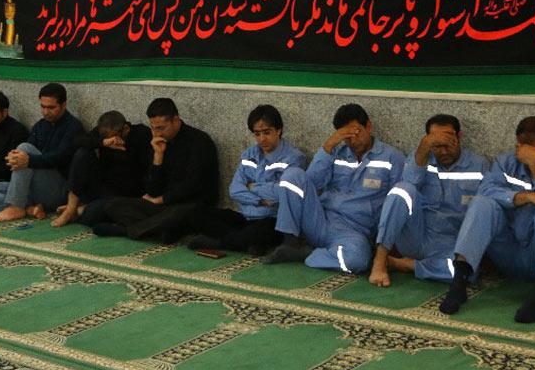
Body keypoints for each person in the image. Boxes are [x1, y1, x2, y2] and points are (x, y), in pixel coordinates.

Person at [438, 116, 535, 323]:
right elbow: (487, 189)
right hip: (509, 249)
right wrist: (526, 197)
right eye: (522, 150)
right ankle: (459, 281)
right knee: (482, 203)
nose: (526, 157)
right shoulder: (506, 162)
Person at [265, 103, 405, 273]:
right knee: (292, 176)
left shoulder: (392, 158)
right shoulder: (337, 153)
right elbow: (311, 182)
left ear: (368, 126)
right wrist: (329, 145)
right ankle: (290, 243)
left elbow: (397, 204)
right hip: (319, 220)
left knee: (357, 260)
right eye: (346, 137)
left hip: (353, 232)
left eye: (356, 133)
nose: (353, 141)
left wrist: (385, 243)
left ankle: (306, 254)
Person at [370, 114, 488, 287]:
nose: (444, 151)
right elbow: (408, 183)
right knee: (401, 190)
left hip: (451, 244)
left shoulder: (479, 165)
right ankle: (380, 261)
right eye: (437, 145)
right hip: (417, 236)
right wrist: (424, 147)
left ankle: (405, 265)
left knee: (463, 272)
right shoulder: (420, 157)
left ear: (459, 137)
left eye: (448, 143)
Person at [79, 97, 219, 242]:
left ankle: (127, 231)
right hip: (163, 206)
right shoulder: (158, 143)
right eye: (153, 128)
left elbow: (193, 184)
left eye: (161, 128)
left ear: (176, 120)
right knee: (113, 205)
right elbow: (152, 190)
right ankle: (161, 231)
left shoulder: (199, 142)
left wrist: (161, 199)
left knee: (184, 213)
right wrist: (158, 157)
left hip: (190, 205)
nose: (157, 133)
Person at [187, 104, 306, 255]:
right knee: (196, 214)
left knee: (263, 231)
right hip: (246, 216)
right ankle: (250, 243)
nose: (262, 139)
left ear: (278, 130)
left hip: (271, 218)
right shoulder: (250, 154)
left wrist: (251, 187)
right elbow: (235, 190)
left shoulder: (294, 157)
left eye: (267, 132)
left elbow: (281, 193)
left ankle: (220, 242)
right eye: (257, 134)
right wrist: (259, 200)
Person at [0, 82, 83, 222]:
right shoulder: (41, 125)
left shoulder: (73, 127)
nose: (46, 112)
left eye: (51, 107)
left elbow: (60, 158)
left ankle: (16, 206)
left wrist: (28, 160)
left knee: (24, 148)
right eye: (43, 107)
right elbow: (25, 156)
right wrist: (14, 157)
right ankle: (30, 209)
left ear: (63, 105)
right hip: (33, 189)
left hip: (58, 190)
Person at [50, 110, 153, 228]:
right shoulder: (103, 133)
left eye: (113, 137)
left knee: (90, 217)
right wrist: (102, 142)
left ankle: (80, 210)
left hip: (124, 194)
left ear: (125, 129)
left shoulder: (141, 134)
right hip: (102, 185)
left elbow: (147, 170)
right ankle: (71, 208)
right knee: (83, 153)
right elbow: (77, 141)